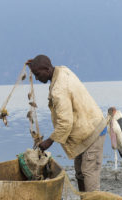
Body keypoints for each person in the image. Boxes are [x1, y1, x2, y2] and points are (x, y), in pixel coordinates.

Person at [26, 55, 107, 192]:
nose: (37, 79)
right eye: (35, 75)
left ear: (47, 69)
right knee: (80, 174)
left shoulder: (59, 90)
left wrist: (49, 141)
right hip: (85, 129)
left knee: (89, 175)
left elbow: (65, 123)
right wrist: (34, 64)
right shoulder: (62, 70)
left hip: (92, 132)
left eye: (38, 74)